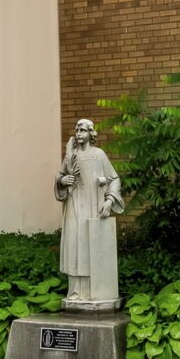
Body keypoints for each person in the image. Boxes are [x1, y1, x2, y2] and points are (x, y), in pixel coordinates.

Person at [54, 118, 125, 311]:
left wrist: (109, 201)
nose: (78, 133)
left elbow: (114, 179)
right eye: (77, 130)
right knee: (74, 244)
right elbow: (60, 177)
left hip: (94, 207)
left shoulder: (98, 155)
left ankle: (96, 291)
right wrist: (63, 180)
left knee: (90, 245)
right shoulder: (71, 155)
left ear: (91, 134)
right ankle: (76, 292)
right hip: (74, 206)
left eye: (83, 130)